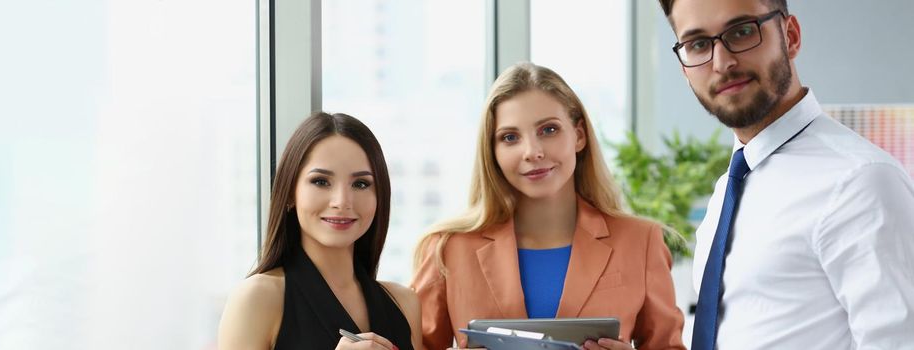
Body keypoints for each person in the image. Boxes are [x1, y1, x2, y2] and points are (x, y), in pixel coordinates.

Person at [657, 0, 914, 349]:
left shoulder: (861, 182)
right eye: (698, 44)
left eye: (742, 31)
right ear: (684, 67)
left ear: (790, 36)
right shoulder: (727, 191)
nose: (722, 63)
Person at [411, 62, 686, 350]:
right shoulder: (447, 248)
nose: (532, 152)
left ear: (579, 135)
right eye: (510, 137)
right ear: (492, 151)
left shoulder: (641, 241)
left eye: (549, 130)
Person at [218, 112, 423, 350]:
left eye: (360, 184)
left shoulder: (404, 303)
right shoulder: (256, 299)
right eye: (321, 181)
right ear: (290, 193)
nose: (342, 201)